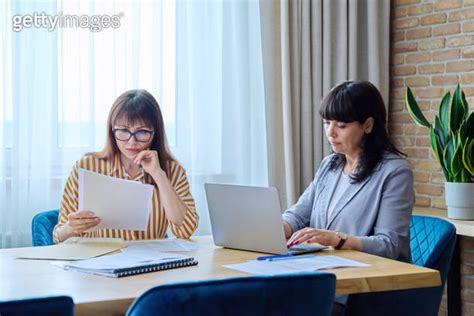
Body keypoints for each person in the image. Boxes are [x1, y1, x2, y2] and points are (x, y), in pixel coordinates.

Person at [283, 81, 414, 263]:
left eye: (341, 125)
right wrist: (276, 227)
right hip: (322, 267)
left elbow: (390, 245)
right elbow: (298, 216)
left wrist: (338, 239)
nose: (330, 132)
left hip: (368, 278)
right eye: (327, 123)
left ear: (368, 125)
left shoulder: (395, 172)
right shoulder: (329, 165)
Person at [53, 89, 199, 243]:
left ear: (155, 132)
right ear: (112, 131)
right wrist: (71, 228)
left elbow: (185, 231)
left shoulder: (173, 171)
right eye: (123, 131)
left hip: (148, 263)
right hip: (100, 261)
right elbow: (58, 236)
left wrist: (159, 175)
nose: (132, 141)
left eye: (142, 132)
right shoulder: (86, 166)